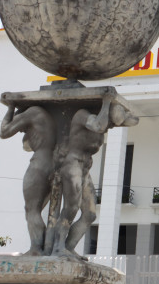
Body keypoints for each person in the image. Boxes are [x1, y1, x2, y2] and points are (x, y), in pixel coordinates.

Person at [51, 95, 138, 259]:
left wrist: (124, 109)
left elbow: (134, 121)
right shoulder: (83, 115)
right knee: (71, 207)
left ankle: (68, 247)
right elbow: (97, 125)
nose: (111, 125)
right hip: (72, 164)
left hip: (84, 168)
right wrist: (106, 102)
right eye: (111, 121)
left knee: (90, 214)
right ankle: (58, 247)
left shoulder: (105, 122)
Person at [0, 103, 56, 256]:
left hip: (40, 163)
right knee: (38, 210)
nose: (23, 131)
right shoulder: (49, 118)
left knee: (31, 209)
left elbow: (4, 132)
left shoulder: (31, 113)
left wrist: (10, 108)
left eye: (22, 127)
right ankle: (45, 247)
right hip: (54, 163)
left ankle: (36, 249)